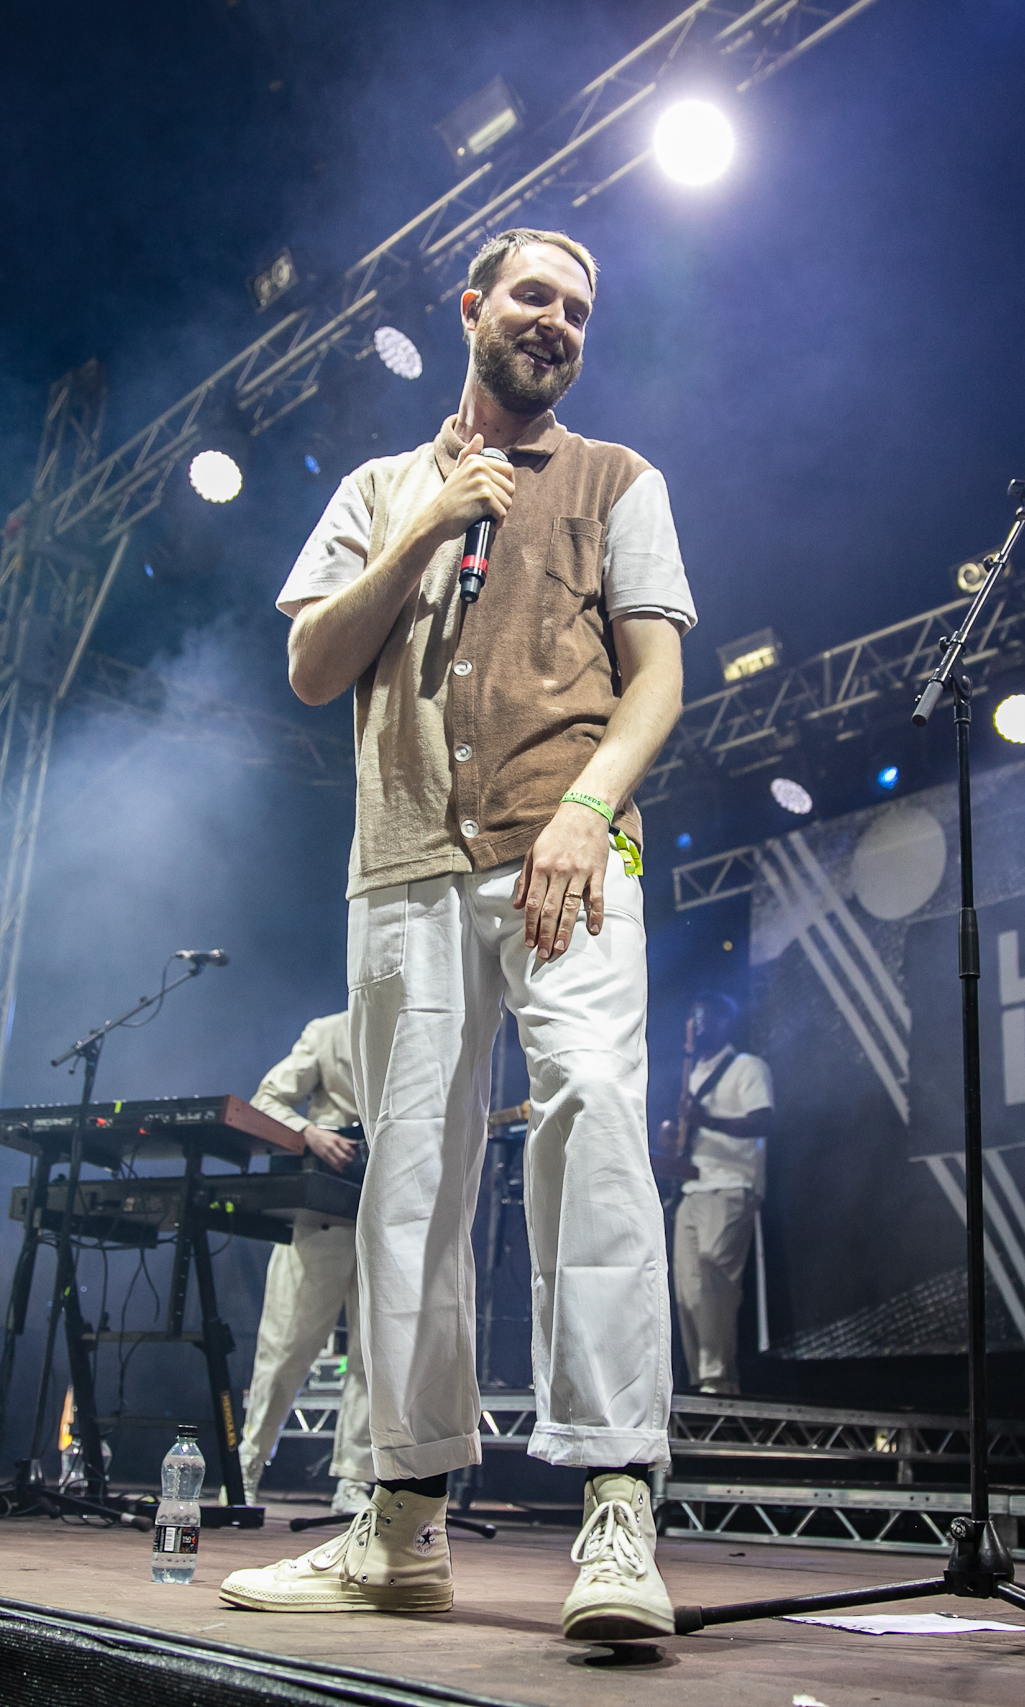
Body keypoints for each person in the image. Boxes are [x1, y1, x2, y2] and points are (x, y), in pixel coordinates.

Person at [222, 227, 692, 1639]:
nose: (559, 322)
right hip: (404, 865)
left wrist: (587, 809)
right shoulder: (378, 488)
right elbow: (312, 665)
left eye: (580, 309)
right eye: (535, 296)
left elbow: (658, 678)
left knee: (592, 1113)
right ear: (474, 307)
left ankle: (618, 1508)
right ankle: (401, 1526)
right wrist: (427, 522)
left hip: (569, 848)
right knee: (410, 1180)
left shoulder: (621, 479)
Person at [238, 1010, 373, 1514]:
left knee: (375, 1353)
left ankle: (355, 1479)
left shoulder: (421, 1031)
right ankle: (247, 1466)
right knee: (286, 1344)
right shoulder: (329, 1031)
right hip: (323, 1208)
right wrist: (310, 1133)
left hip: (387, 1211)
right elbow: (266, 1100)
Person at [663, 993, 774, 1396]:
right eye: (692, 1018)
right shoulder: (692, 1073)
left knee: (714, 1278)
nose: (695, 1026)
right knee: (687, 1286)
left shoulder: (747, 1067)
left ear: (724, 1021)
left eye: (703, 1017)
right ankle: (702, 1379)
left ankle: (719, 1378)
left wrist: (705, 1120)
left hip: (731, 1186)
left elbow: (763, 1121)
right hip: (694, 1188)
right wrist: (673, 1139)